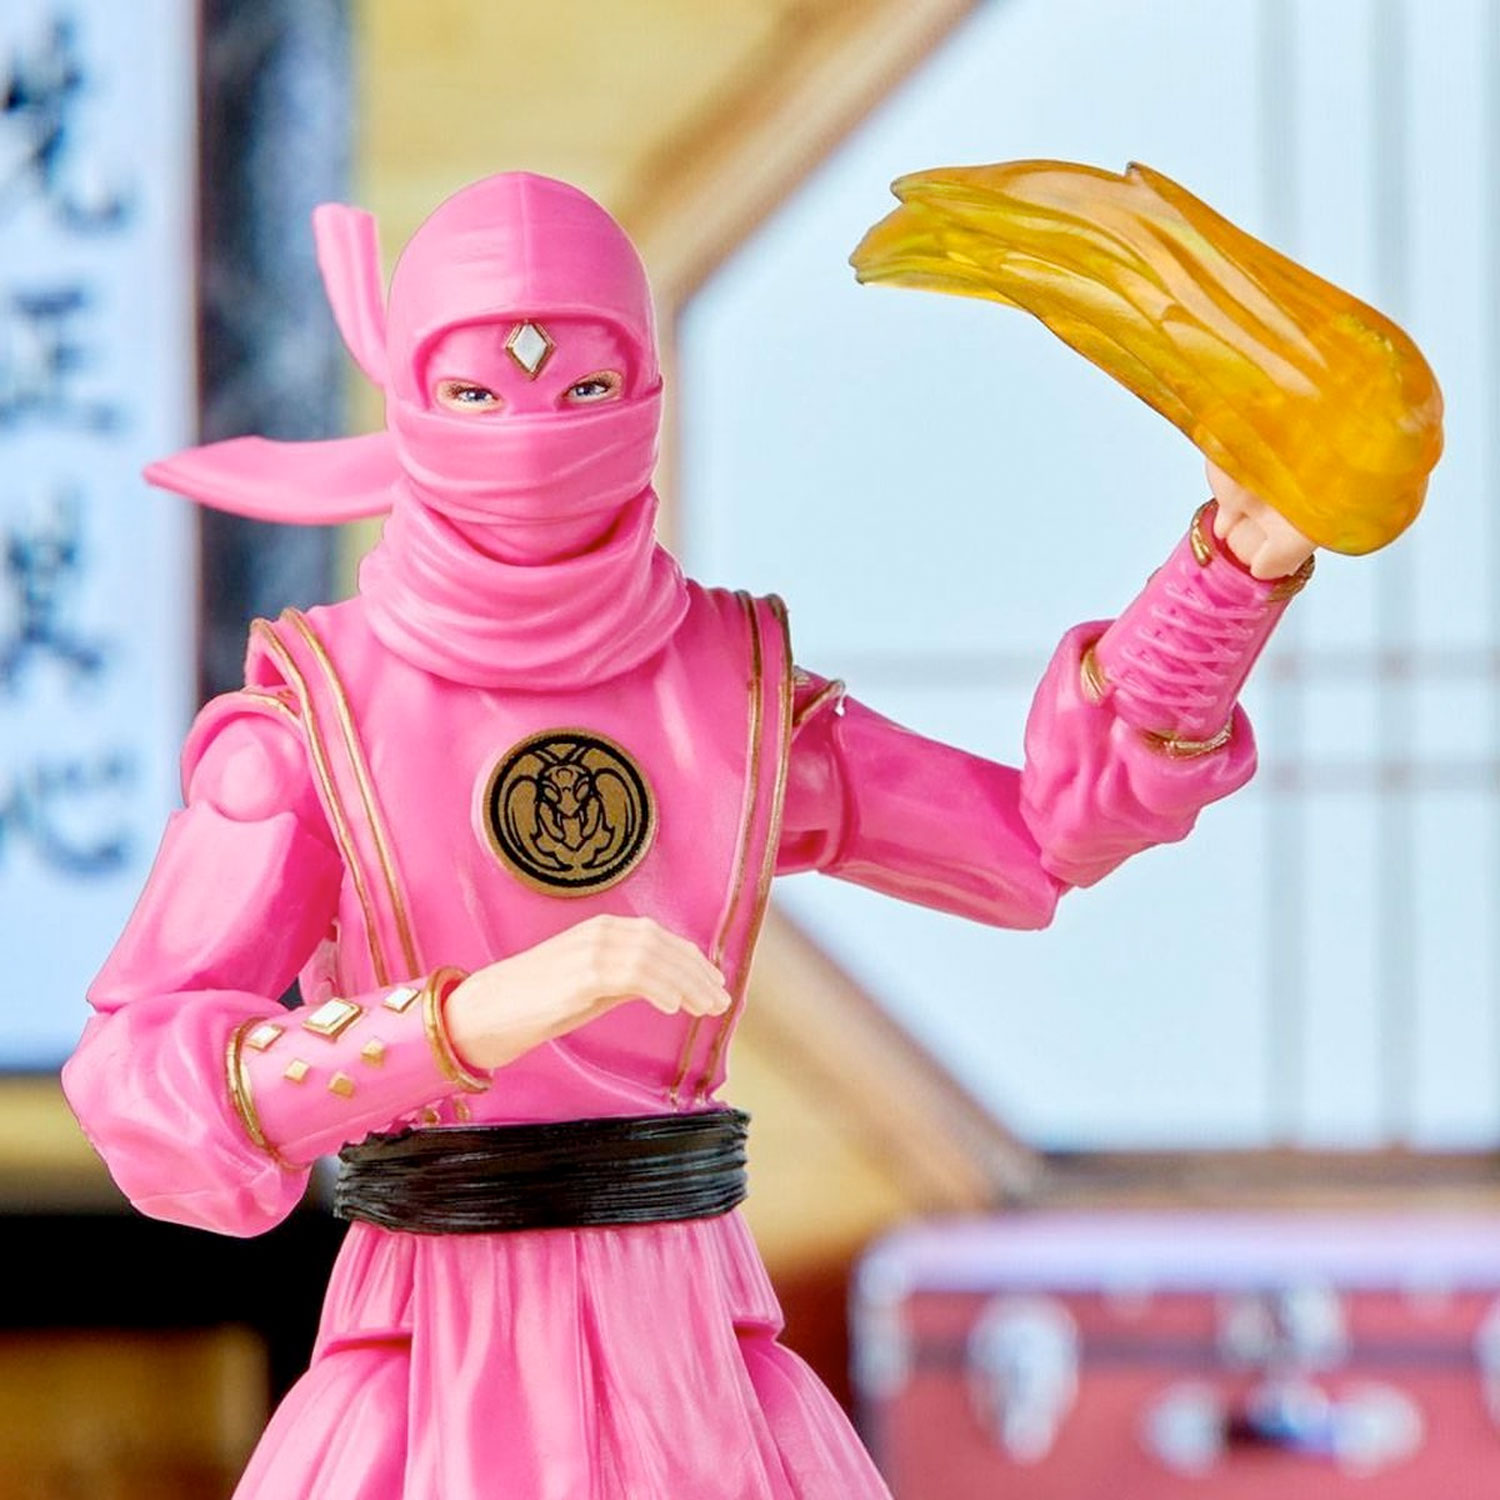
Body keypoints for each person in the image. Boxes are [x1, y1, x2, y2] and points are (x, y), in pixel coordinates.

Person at [62, 171, 1314, 1499]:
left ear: (646, 391)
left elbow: (1030, 846)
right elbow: (144, 1086)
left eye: (585, 386)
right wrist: (472, 1018)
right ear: (412, 399)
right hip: (432, 1357)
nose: (534, 432)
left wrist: (1226, 581)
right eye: (478, 392)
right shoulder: (313, 723)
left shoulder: (732, 691)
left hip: (697, 1362)